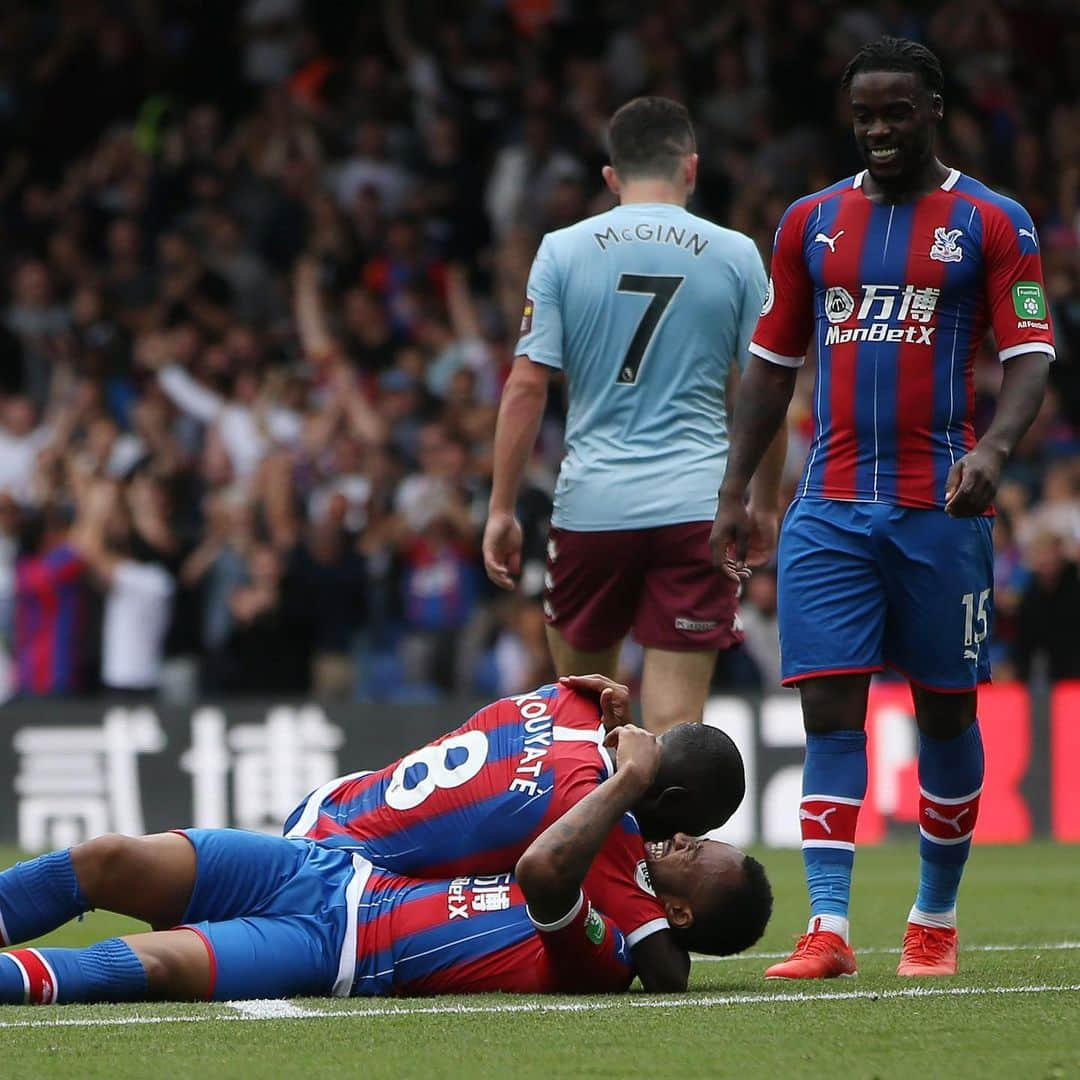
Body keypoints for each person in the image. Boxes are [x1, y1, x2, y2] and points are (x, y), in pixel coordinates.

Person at [711, 37, 1055, 980]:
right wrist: (739, 488)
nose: (878, 130)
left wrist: (992, 449)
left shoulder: (994, 219)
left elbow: (1032, 352)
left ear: (934, 107)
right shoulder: (811, 223)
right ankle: (827, 927)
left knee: (946, 716)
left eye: (897, 111)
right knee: (830, 708)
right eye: (864, 114)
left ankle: (933, 918)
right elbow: (771, 367)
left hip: (939, 505)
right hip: (828, 505)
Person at [0, 727, 772, 1004]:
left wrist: (630, 780)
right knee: (108, 857)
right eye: (695, 833)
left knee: (156, 968)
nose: (681, 842)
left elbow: (543, 874)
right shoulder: (619, 849)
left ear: (683, 915)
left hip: (336, 953)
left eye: (701, 852)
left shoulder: (608, 951)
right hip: (327, 871)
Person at [482, 96, 785, 735]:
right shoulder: (735, 254)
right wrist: (761, 504)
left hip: (592, 506)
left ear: (611, 178)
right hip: (696, 510)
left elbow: (526, 386)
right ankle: (672, 841)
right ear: (692, 169)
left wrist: (502, 509)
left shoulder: (562, 250)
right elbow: (766, 389)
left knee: (587, 721)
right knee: (677, 724)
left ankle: (602, 838)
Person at [284, 673, 746, 991]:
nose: (680, 839)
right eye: (691, 828)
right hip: (337, 865)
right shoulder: (604, 830)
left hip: (334, 801)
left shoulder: (573, 698)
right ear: (670, 802)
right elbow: (667, 975)